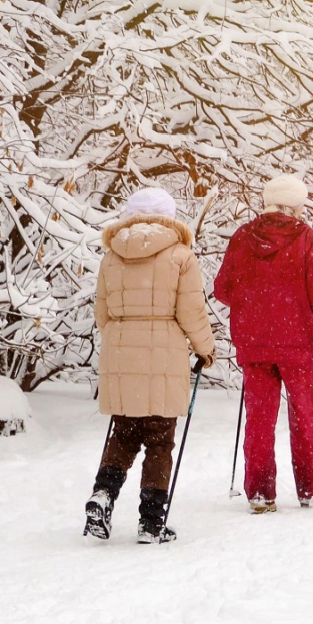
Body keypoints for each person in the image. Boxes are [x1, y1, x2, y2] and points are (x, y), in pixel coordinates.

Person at [85, 187, 216, 544]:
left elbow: (102, 314)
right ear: (168, 215)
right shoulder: (180, 255)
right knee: (160, 440)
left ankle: (103, 494)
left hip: (121, 352)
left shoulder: (111, 257)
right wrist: (205, 348)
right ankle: (151, 522)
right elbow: (191, 311)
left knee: (124, 433)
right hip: (164, 356)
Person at [214, 174, 313, 513]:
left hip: (254, 343)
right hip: (298, 344)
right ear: (296, 205)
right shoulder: (306, 238)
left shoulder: (243, 237)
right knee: (305, 415)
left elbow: (223, 290)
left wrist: (255, 302)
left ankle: (260, 493)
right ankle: (311, 488)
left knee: (259, 418)